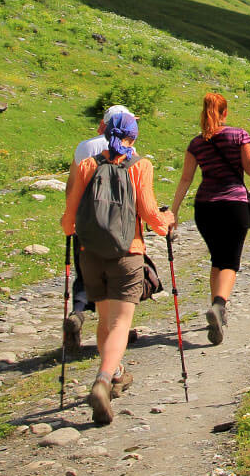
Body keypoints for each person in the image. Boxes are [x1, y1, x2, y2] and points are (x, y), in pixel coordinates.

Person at [59, 111, 173, 426]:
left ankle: (117, 374)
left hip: (91, 255)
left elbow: (69, 220)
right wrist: (167, 224)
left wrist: (72, 231)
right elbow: (150, 213)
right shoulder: (140, 166)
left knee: (106, 321)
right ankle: (104, 378)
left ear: (105, 132)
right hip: (128, 252)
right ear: (133, 138)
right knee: (121, 324)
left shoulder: (87, 165)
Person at [168, 93, 250, 346]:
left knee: (217, 258)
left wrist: (173, 212)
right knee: (230, 262)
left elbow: (186, 179)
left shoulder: (196, 144)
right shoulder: (239, 135)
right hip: (233, 204)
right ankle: (219, 305)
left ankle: (218, 309)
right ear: (225, 113)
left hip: (205, 207)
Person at [64, 104, 130, 353]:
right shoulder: (128, 150)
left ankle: (78, 313)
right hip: (116, 224)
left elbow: (72, 185)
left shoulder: (84, 147)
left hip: (86, 221)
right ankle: (118, 327)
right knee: (116, 276)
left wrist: (70, 217)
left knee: (85, 272)